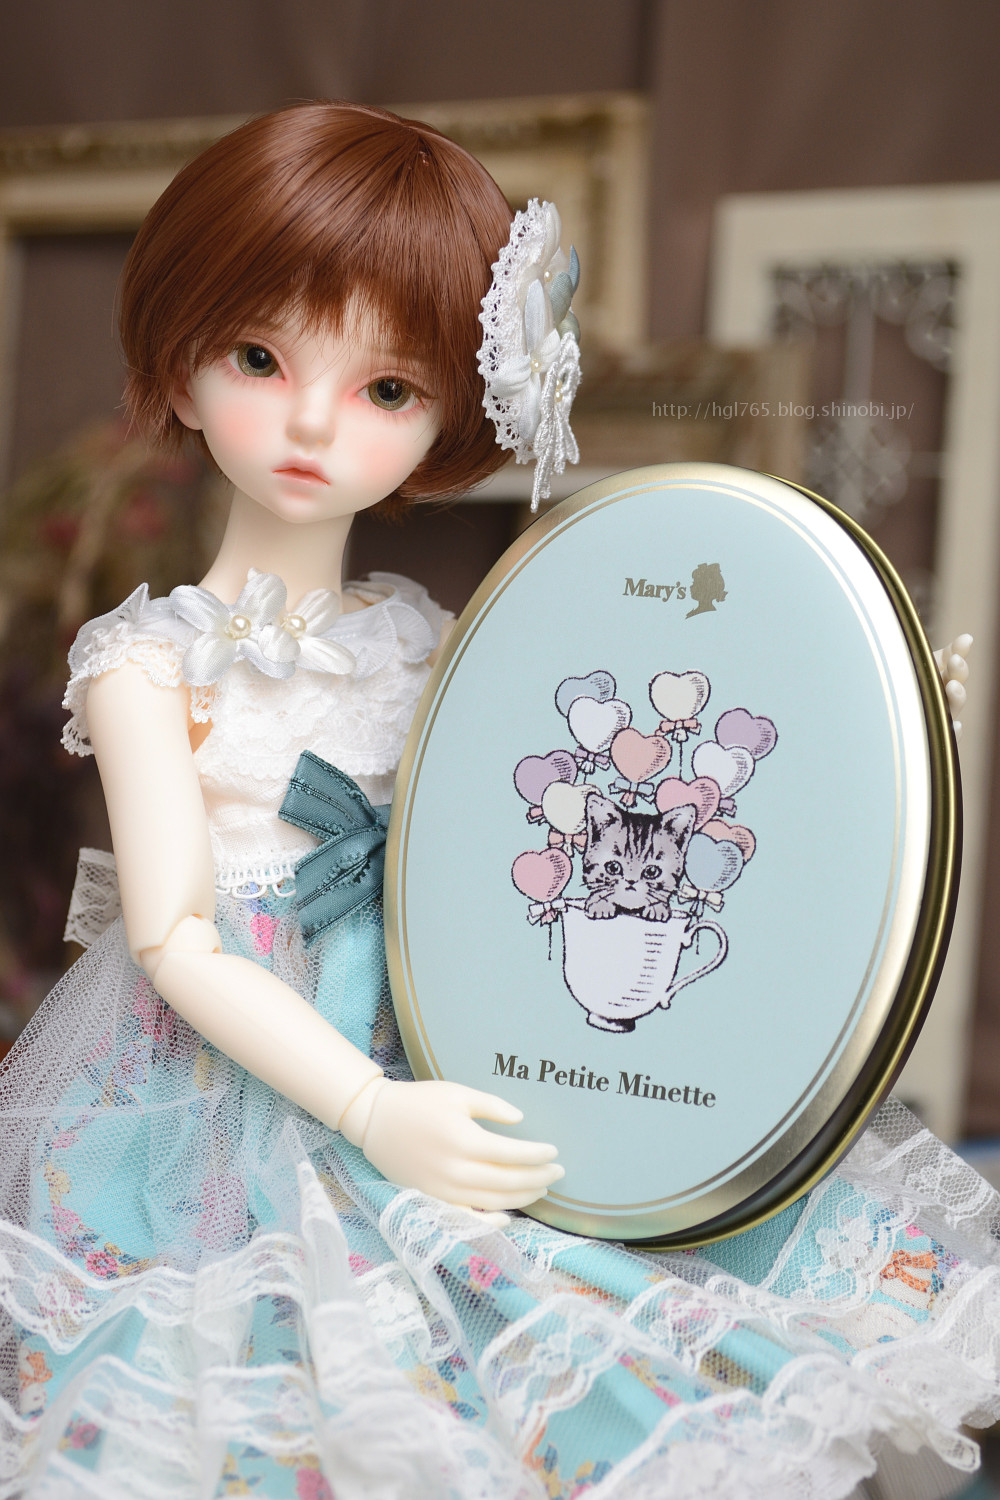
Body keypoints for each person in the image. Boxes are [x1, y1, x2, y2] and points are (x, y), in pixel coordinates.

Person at [0, 101, 990, 1500]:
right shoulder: (147, 662)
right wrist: (366, 1107)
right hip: (241, 1078)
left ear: (455, 411)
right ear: (182, 359)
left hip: (448, 1012)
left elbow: (590, 775)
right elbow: (173, 939)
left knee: (585, 1290)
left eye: (386, 390)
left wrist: (863, 726)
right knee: (276, 1369)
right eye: (259, 358)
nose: (310, 422)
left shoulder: (426, 634)